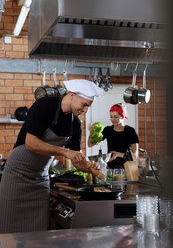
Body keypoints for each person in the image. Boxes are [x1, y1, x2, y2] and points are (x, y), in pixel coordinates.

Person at [0, 79, 103, 233]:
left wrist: (88, 166)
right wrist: (64, 151)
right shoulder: (45, 105)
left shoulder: (75, 124)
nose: (85, 110)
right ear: (73, 95)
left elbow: (76, 159)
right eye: (85, 104)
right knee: (9, 231)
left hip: (40, 180)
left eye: (88, 106)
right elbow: (31, 143)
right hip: (17, 175)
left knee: (38, 233)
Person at [88, 103, 139, 168]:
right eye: (111, 116)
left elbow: (135, 156)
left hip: (127, 169)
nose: (112, 119)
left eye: (115, 117)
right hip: (110, 168)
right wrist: (91, 132)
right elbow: (90, 144)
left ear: (122, 116)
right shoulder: (107, 130)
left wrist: (118, 154)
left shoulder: (130, 131)